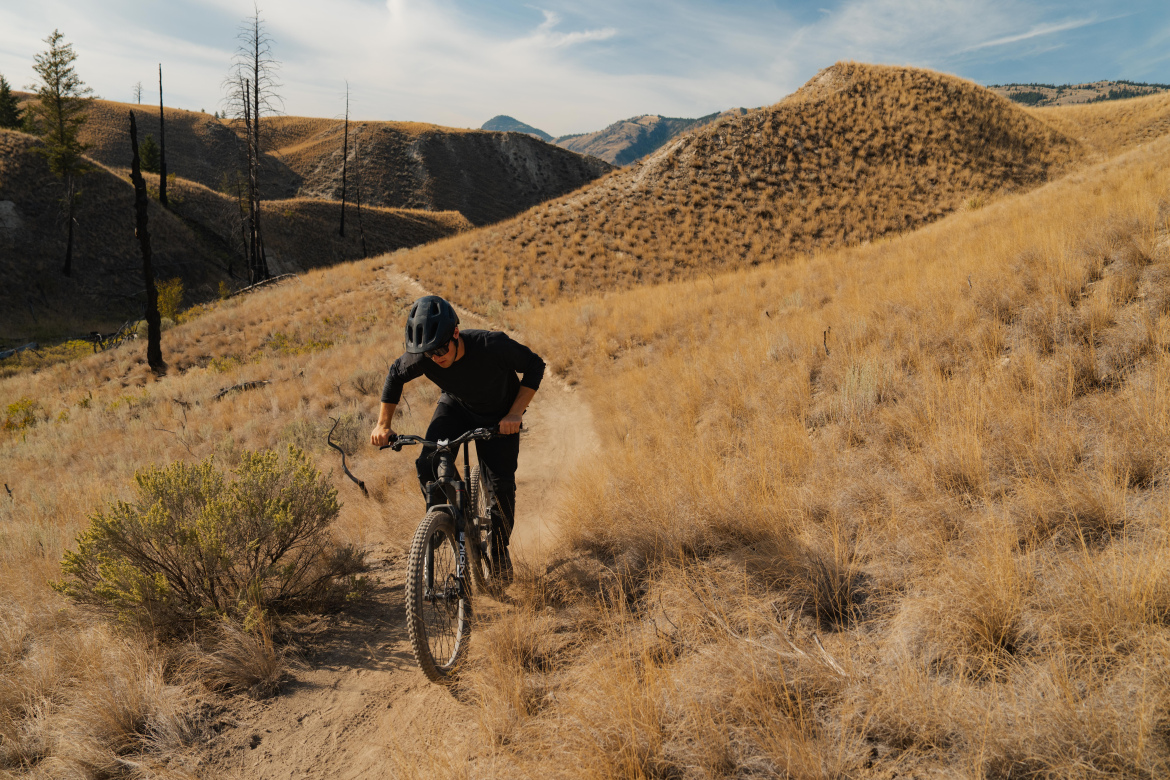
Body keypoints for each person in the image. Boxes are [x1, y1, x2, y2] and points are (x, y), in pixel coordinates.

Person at [370, 295, 545, 581]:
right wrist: (383, 425)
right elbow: (394, 375)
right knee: (428, 461)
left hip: (500, 417)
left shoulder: (491, 345)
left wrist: (515, 414)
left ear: (455, 333)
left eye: (441, 348)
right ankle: (441, 520)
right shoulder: (425, 356)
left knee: (500, 487)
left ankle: (500, 552)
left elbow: (535, 365)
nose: (437, 357)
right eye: (429, 353)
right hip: (457, 407)